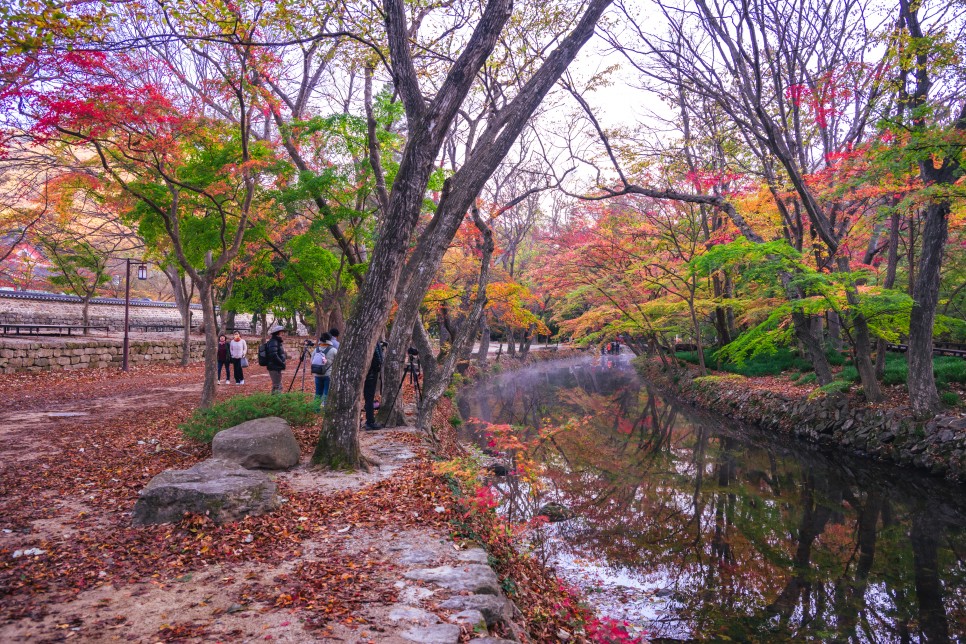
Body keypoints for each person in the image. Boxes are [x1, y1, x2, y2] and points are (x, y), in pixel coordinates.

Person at [363, 341, 385, 430]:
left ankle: (316, 408)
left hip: (319, 376)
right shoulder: (373, 343)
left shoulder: (318, 349)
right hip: (371, 374)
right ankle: (370, 421)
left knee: (319, 393)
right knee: (369, 398)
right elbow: (379, 360)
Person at [311, 332, 337, 406]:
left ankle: (316, 409)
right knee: (326, 393)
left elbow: (312, 361)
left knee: (318, 393)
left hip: (317, 374)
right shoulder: (333, 350)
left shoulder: (316, 350)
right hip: (328, 374)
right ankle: (325, 409)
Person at [265, 324, 287, 393]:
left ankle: (273, 401)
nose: (283, 334)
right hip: (274, 366)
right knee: (278, 386)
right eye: (282, 332)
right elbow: (273, 355)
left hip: (276, 366)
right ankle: (278, 401)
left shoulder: (276, 341)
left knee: (276, 386)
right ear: (278, 333)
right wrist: (281, 363)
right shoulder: (274, 342)